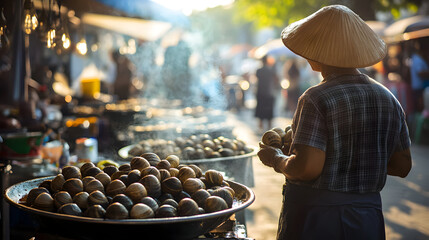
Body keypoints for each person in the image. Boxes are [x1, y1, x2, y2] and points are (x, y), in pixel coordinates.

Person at [257, 5, 412, 240]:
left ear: (318, 52)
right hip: (367, 218)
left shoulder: (315, 98)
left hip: (318, 220)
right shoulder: (388, 98)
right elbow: (402, 165)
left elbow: (307, 169)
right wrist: (349, 162)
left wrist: (276, 159)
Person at [254, 55, 279, 131]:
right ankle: (269, 127)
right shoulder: (271, 70)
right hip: (269, 92)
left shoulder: (259, 70)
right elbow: (276, 80)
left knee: (260, 109)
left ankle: (260, 127)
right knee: (269, 110)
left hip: (261, 92)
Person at [410, 37, 429, 113]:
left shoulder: (417, 58)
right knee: (421, 108)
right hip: (419, 88)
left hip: (420, 88)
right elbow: (420, 73)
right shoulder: (417, 59)